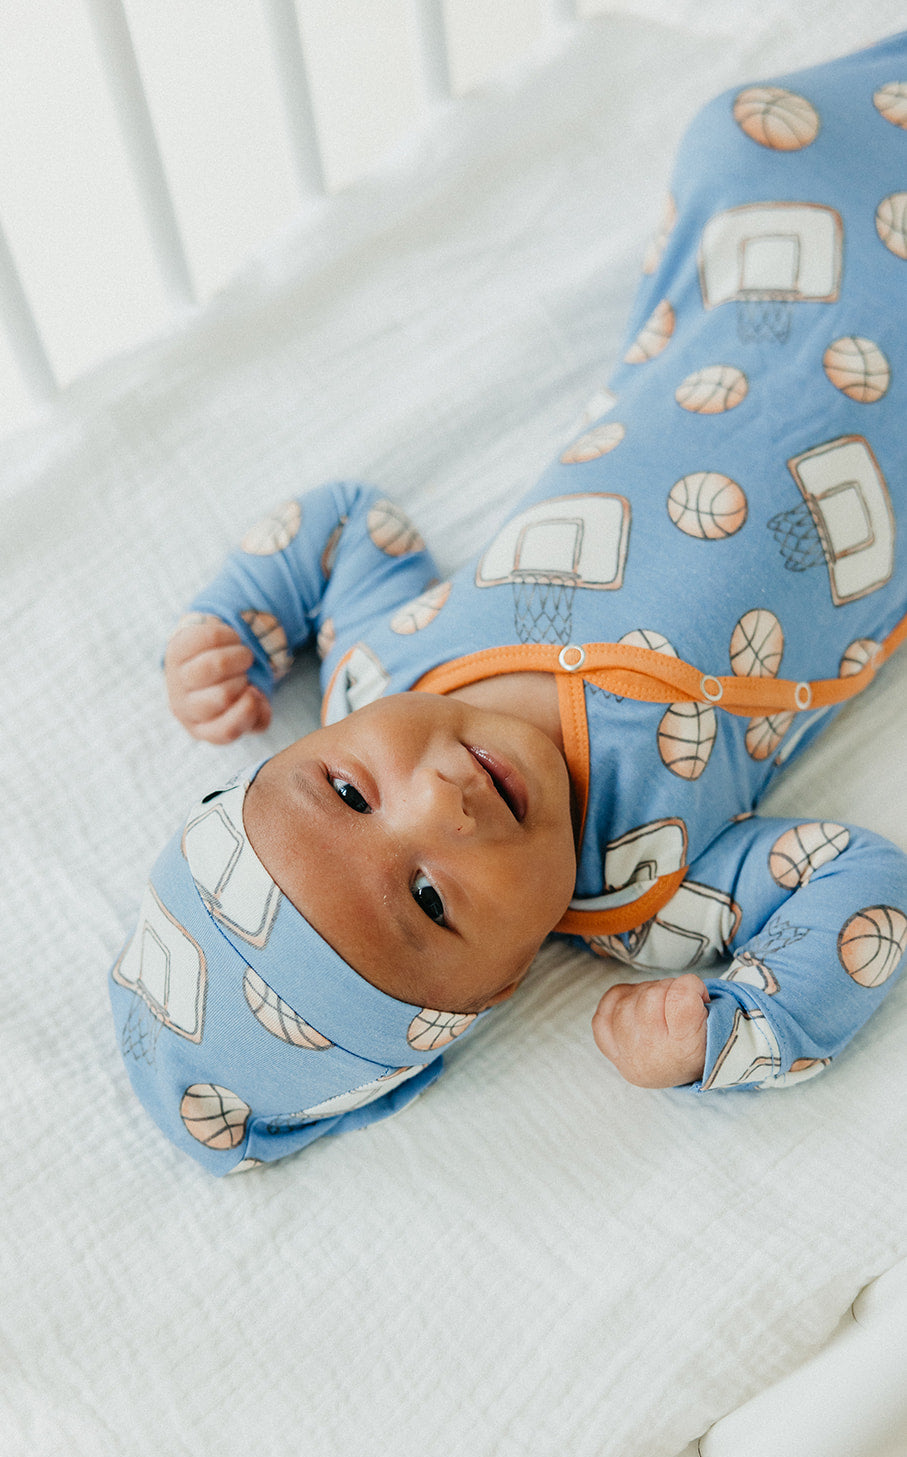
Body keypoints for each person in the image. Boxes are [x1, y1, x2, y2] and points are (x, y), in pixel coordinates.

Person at [111, 33, 907, 1174]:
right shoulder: (646, 894)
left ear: (315, 743)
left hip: (753, 296)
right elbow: (859, 886)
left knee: (740, 131)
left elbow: (346, 522)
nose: (439, 804)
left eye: (348, 789)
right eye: (429, 900)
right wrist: (739, 1026)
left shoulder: (377, 667)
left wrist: (232, 623)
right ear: (494, 990)